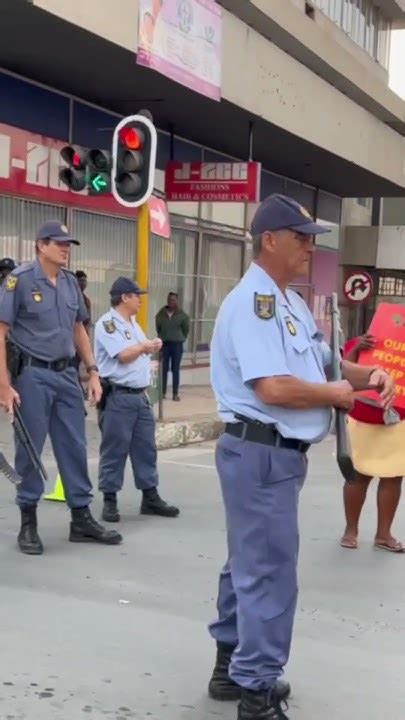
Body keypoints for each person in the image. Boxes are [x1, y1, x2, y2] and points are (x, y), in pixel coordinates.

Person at [208, 194, 394, 720]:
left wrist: (368, 374)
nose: (311, 247)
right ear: (270, 240)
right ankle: (256, 693)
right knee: (268, 571)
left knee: (246, 562)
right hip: (260, 450)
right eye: (301, 237)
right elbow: (274, 387)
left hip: (271, 456)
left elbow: (323, 362)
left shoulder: (286, 299)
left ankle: (230, 666)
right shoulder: (254, 302)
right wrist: (338, 395)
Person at [0, 220, 123, 555]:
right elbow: (1, 333)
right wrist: (4, 385)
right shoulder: (20, 281)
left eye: (69, 243)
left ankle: (81, 518)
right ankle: (28, 521)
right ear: (42, 245)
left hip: (66, 376)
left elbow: (79, 329)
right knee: (30, 448)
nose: (66, 248)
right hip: (32, 376)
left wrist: (93, 372)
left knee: (74, 444)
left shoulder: (70, 283)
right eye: (60, 242)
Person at [95, 277, 180, 523]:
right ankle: (110, 499)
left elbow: (139, 351)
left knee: (146, 449)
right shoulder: (108, 324)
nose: (140, 300)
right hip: (119, 396)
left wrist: (149, 348)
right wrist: (145, 347)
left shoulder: (132, 323)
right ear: (124, 297)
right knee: (115, 449)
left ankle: (150, 495)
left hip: (139, 396)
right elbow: (122, 355)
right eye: (136, 295)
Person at [341, 333, 405, 552]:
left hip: (398, 418)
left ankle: (384, 535)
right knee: (357, 475)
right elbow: (342, 368)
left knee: (393, 477)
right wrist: (357, 346)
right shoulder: (365, 339)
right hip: (363, 416)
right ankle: (351, 530)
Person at [156, 292, 190, 401]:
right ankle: (162, 393)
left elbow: (186, 330)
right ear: (167, 301)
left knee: (175, 369)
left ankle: (175, 394)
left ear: (177, 301)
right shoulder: (160, 314)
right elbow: (158, 328)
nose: (172, 302)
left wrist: (180, 338)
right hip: (164, 345)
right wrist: (164, 337)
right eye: (170, 300)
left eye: (174, 300)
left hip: (177, 345)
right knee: (163, 369)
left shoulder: (183, 315)